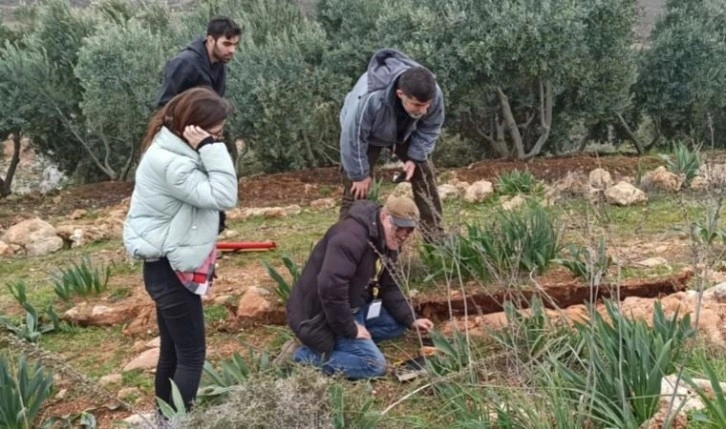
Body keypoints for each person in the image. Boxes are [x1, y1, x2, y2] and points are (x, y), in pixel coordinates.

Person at [123, 87, 238, 411]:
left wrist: (205, 145)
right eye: (215, 134)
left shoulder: (169, 150)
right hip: (172, 271)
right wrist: (211, 149)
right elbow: (225, 194)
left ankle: (165, 418)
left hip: (163, 266)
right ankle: (177, 420)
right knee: (191, 356)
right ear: (193, 129)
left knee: (173, 352)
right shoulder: (174, 164)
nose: (219, 139)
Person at [283, 195, 434, 380]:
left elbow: (389, 285)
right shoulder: (349, 237)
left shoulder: (388, 240)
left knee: (399, 325)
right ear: (385, 217)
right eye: (399, 227)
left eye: (409, 230)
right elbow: (331, 290)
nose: (403, 234)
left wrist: (411, 319)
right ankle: (301, 356)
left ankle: (345, 345)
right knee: (375, 365)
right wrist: (351, 329)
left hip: (356, 306)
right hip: (323, 316)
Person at [339, 48, 445, 242]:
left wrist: (415, 157)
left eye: (427, 105)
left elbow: (431, 127)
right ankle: (347, 241)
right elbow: (352, 136)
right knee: (356, 189)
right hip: (367, 134)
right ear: (400, 94)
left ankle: (436, 238)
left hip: (404, 132)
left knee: (424, 175)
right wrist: (359, 174)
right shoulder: (372, 98)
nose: (424, 110)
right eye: (417, 105)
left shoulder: (433, 94)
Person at [156, 16, 241, 108]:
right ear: (211, 40)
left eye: (235, 45)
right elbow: (164, 104)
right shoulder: (185, 62)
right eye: (226, 44)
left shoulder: (220, 63)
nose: (232, 50)